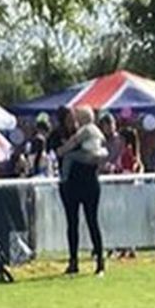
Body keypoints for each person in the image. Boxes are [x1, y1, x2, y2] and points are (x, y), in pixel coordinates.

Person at [54, 106, 106, 277]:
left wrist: (64, 150)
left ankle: (99, 261)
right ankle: (74, 260)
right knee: (73, 223)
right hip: (73, 185)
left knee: (92, 221)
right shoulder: (91, 131)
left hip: (88, 181)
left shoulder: (83, 132)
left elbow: (69, 148)